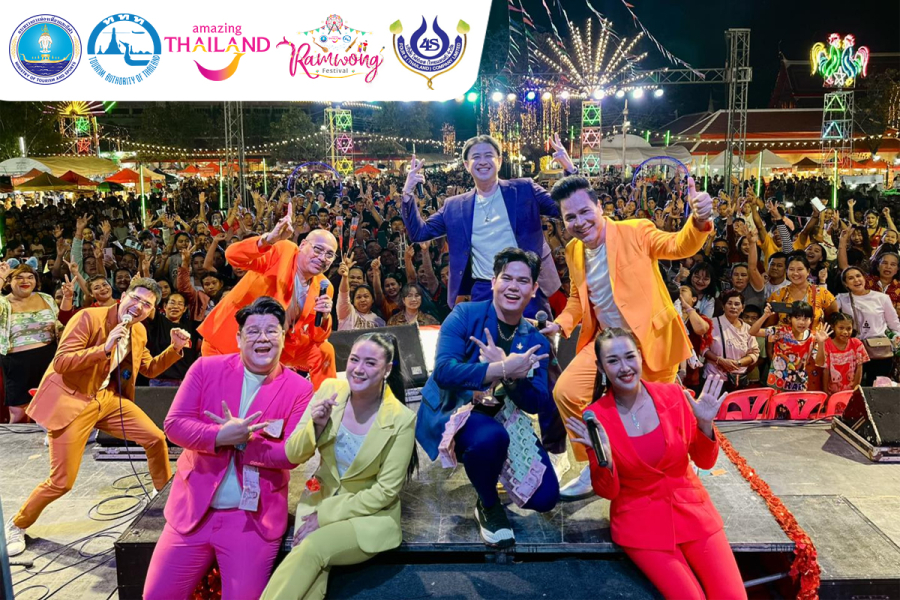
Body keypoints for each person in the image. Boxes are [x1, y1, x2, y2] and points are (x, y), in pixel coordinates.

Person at [542, 175, 714, 500]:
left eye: (584, 212)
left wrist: (699, 219)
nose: (579, 222)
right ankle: (595, 464)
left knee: (658, 417)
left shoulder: (636, 231)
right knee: (566, 392)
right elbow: (578, 299)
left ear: (599, 207)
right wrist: (561, 323)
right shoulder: (574, 250)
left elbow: (679, 245)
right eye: (570, 217)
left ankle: (672, 475)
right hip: (606, 342)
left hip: (651, 340)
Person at [5, 278, 191, 557]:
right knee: (61, 482)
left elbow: (149, 369)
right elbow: (61, 362)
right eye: (135, 299)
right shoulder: (88, 318)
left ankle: (162, 495)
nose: (138, 306)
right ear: (123, 296)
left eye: (147, 304)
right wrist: (104, 348)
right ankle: (16, 524)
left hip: (107, 399)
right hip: (72, 399)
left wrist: (174, 349)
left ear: (152, 311)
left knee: (154, 438)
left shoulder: (139, 330)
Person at [144, 297, 314, 600]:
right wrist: (219, 435)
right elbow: (174, 425)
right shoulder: (205, 369)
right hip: (193, 510)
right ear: (238, 338)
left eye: (272, 331)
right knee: (157, 596)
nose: (263, 338)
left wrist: (242, 442)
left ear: (284, 336)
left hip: (252, 520)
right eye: (253, 331)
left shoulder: (300, 389)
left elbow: (290, 455)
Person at [565, 328, 745, 600]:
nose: (624, 367)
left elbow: (705, 461)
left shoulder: (673, 395)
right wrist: (606, 460)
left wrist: (705, 424)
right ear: (601, 367)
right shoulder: (595, 416)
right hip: (641, 524)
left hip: (693, 510)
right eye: (613, 361)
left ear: (640, 356)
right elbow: (608, 491)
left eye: (630, 356)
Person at [416, 248, 558, 548]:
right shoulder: (465, 314)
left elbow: (536, 402)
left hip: (502, 412)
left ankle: (490, 466)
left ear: (534, 289)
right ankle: (488, 504)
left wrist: (513, 379)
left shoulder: (535, 340)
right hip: (453, 408)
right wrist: (500, 368)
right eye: (506, 278)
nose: (513, 287)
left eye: (522, 281)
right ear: (493, 282)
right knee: (490, 438)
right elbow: (443, 371)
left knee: (546, 498)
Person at [260, 332, 416, 600]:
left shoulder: (402, 419)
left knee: (311, 548)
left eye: (370, 363)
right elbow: (293, 454)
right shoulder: (330, 390)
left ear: (388, 369)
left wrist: (325, 516)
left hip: (368, 516)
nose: (358, 369)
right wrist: (316, 426)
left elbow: (385, 492)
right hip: (319, 497)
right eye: (354, 359)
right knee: (312, 578)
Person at [401, 133, 575, 316]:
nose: (482, 161)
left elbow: (565, 209)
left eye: (488, 155)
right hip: (484, 289)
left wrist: (570, 171)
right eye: (476, 157)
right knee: (486, 335)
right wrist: (407, 193)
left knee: (534, 334)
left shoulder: (525, 189)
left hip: (527, 285)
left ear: (499, 161)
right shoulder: (454, 206)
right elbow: (419, 233)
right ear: (466, 165)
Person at [198, 208, 338, 389]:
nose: (322, 258)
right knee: (229, 401)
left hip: (276, 346)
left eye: (329, 254)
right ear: (303, 245)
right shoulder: (284, 250)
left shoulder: (325, 286)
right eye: (318, 249)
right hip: (230, 343)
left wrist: (325, 317)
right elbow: (233, 256)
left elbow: (318, 337)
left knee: (324, 351)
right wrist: (268, 239)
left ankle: (326, 401)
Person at [0, 263, 61, 423]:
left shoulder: (46, 298)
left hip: (49, 357)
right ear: (9, 281)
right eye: (19, 277)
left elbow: (58, 324)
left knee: (50, 408)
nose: (25, 281)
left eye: (30, 277)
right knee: (19, 412)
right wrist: (1, 277)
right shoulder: (3, 302)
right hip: (16, 361)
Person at [834, 266, 900, 385]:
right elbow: (828, 312)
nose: (856, 280)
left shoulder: (882, 298)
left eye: (858, 276)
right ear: (845, 283)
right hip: (853, 350)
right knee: (852, 386)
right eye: (851, 278)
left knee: (877, 387)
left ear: (864, 278)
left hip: (879, 350)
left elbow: (894, 324)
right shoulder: (841, 298)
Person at [750, 302, 823, 393]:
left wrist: (821, 344)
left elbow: (820, 362)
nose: (801, 322)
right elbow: (752, 332)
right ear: (790, 318)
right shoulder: (780, 331)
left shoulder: (813, 337)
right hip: (777, 383)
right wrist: (765, 315)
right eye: (797, 318)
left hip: (799, 385)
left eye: (806, 318)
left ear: (811, 320)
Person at [703, 290, 760, 390]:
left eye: (737, 304)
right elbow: (702, 348)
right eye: (729, 303)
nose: (733, 307)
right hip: (713, 378)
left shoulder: (748, 329)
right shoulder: (711, 324)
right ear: (723, 306)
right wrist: (720, 361)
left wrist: (737, 363)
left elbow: (754, 353)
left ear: (742, 308)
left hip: (738, 380)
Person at [816, 312, 867, 395]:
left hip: (850, 391)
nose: (845, 332)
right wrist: (825, 392)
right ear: (833, 327)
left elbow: (859, 368)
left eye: (848, 329)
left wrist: (855, 390)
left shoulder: (857, 344)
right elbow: (826, 371)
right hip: (832, 392)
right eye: (841, 328)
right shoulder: (827, 344)